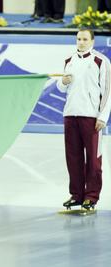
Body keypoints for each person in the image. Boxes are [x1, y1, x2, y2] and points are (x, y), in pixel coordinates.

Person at [57, 29, 111, 210]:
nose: (81, 42)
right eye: (78, 39)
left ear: (92, 41)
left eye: (85, 39)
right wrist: (62, 82)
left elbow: (107, 92)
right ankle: (76, 195)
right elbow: (62, 88)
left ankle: (92, 196)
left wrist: (103, 116)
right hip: (70, 115)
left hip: (91, 117)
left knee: (94, 160)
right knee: (73, 157)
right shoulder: (68, 61)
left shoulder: (101, 61)